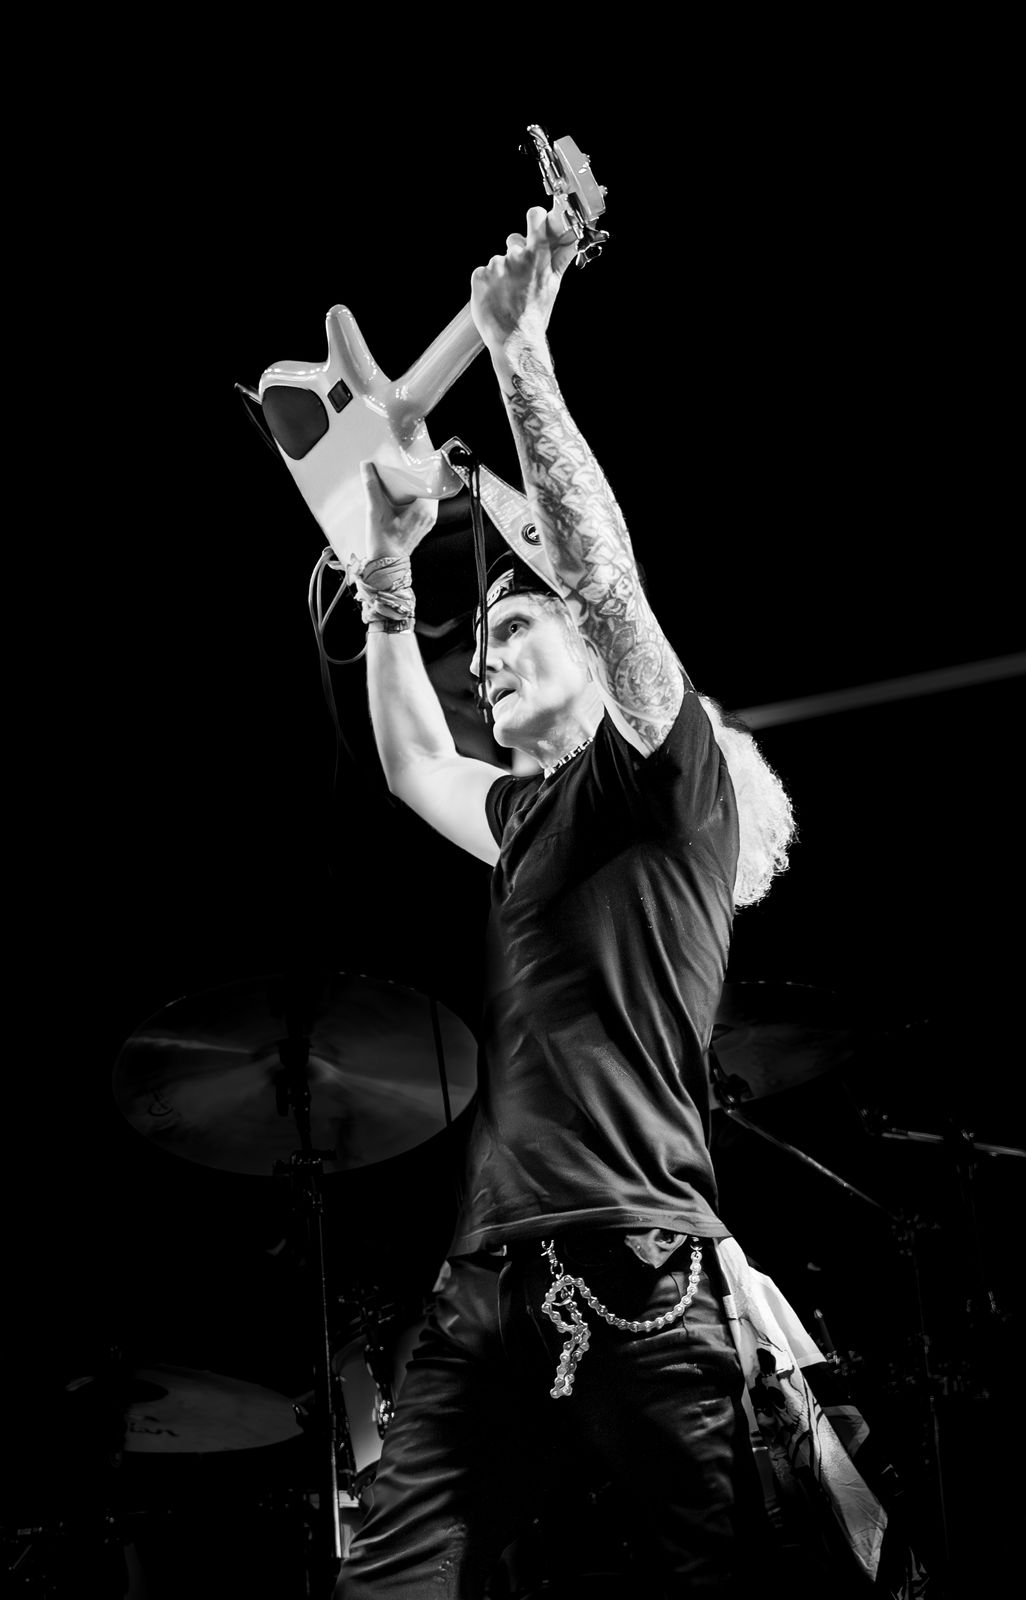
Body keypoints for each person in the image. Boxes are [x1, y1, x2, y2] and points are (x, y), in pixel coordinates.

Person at [334, 205, 796, 1598]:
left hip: (642, 1266)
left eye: (510, 626)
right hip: (486, 1284)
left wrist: (519, 355)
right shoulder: (524, 818)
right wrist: (389, 573)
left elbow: (601, 580)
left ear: (593, 662)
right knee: (388, 1584)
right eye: (481, 640)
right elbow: (416, 764)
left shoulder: (666, 780)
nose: (484, 662)